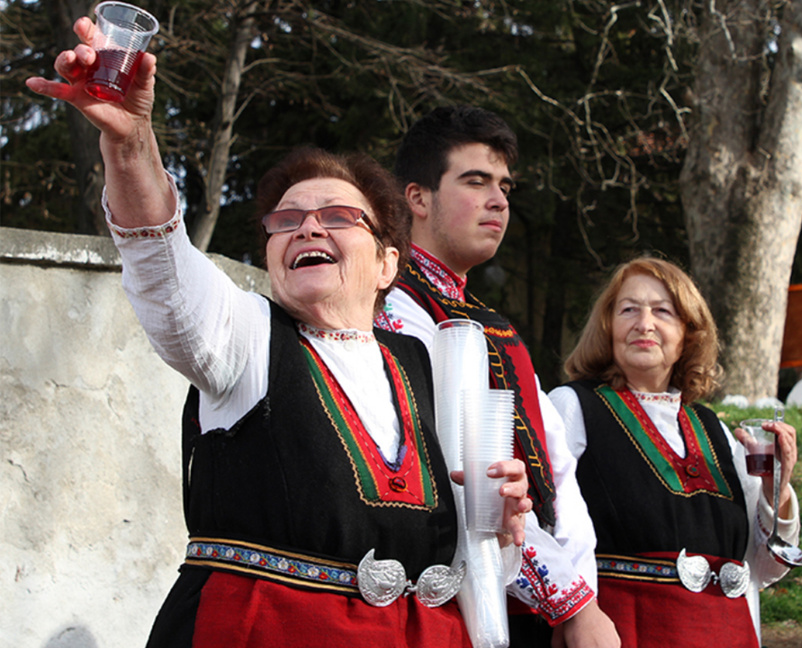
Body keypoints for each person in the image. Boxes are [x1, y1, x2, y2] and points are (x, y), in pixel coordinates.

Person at [25, 19, 533, 648]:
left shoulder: (430, 364)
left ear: (386, 264)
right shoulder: (243, 338)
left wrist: (499, 522)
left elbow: (472, 559)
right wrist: (131, 146)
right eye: (286, 219)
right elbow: (162, 264)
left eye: (339, 217)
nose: (308, 228)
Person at [375, 105, 618, 647]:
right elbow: (463, 472)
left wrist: (580, 598)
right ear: (417, 197)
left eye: (505, 186)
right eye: (475, 181)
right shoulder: (390, 312)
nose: (499, 200)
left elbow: (560, 474)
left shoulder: (493, 326)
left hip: (538, 611)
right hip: (450, 607)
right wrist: (570, 603)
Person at [548, 257, 800, 647]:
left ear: (688, 333)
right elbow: (546, 530)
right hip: (627, 631)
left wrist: (776, 491)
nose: (644, 324)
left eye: (663, 311)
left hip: (727, 634)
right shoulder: (572, 407)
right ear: (607, 326)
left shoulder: (713, 429)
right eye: (628, 309)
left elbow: (764, 568)